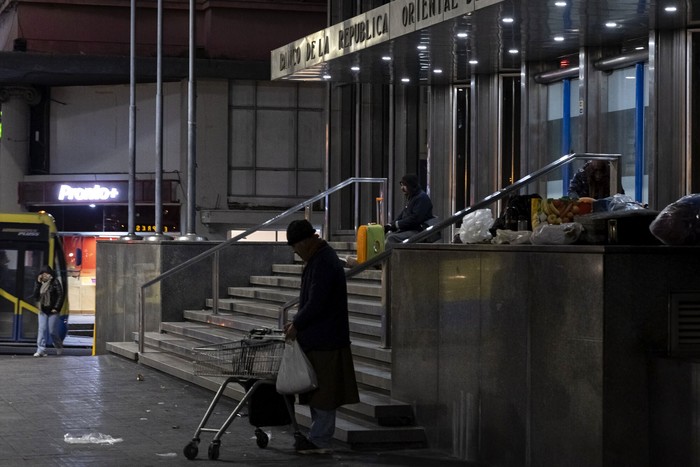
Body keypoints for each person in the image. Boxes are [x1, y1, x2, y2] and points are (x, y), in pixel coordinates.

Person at [283, 219, 360, 454]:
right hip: (320, 336)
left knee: (324, 392)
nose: (296, 253)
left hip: (326, 338)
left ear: (306, 242)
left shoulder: (323, 261)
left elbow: (317, 301)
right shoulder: (320, 258)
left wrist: (297, 323)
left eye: (296, 247)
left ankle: (320, 440)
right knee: (319, 391)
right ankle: (318, 437)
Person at [384, 173, 434, 247]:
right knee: (389, 235)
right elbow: (403, 214)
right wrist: (391, 225)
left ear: (411, 185)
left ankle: (389, 258)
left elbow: (415, 218)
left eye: (404, 185)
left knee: (391, 238)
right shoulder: (413, 197)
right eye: (401, 185)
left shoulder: (421, 198)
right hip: (411, 229)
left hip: (418, 231)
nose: (402, 188)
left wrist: (397, 225)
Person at [33, 265, 65, 357]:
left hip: (53, 310)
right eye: (42, 274)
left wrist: (56, 308)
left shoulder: (55, 282)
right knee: (41, 329)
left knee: (52, 331)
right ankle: (40, 350)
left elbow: (60, 295)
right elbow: (35, 295)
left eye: (46, 273)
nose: (44, 275)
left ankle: (58, 346)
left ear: (50, 274)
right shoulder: (39, 283)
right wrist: (38, 283)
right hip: (42, 310)